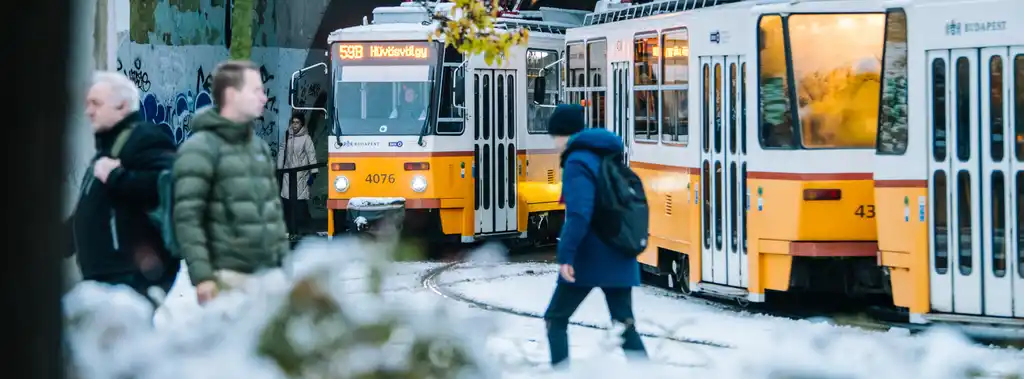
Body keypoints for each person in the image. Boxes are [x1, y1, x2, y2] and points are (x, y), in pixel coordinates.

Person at [172, 60, 289, 305]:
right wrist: (203, 277)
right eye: (256, 90)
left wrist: (283, 264)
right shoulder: (200, 149)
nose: (264, 98)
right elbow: (187, 217)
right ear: (232, 95)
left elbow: (273, 211)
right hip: (228, 277)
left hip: (269, 277)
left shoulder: (258, 147)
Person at [542, 104, 648, 368]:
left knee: (555, 318)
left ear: (562, 134)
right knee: (623, 325)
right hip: (619, 249)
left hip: (589, 257)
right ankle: (648, 372)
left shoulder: (577, 161)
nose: (553, 143)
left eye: (553, 135)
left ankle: (561, 372)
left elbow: (579, 213)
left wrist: (566, 255)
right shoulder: (602, 154)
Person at [65, 71, 180, 305]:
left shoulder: (144, 139)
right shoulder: (108, 150)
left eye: (96, 103)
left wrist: (117, 176)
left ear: (122, 106)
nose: (88, 111)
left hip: (131, 278)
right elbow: (90, 213)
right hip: (106, 281)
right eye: (87, 104)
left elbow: (167, 183)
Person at [278, 112, 318, 235]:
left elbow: (311, 154)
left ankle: (306, 229)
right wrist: (279, 170)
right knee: (287, 202)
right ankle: (291, 230)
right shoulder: (287, 136)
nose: (294, 125)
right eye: (293, 122)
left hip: (301, 175)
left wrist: (313, 172)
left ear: (302, 124)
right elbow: (281, 151)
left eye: (297, 123)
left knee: (300, 204)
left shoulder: (306, 138)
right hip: (288, 175)